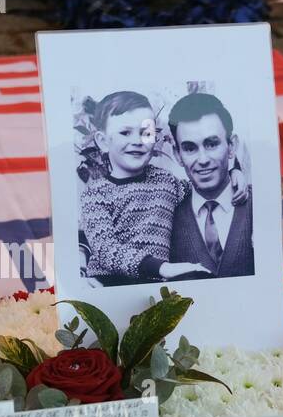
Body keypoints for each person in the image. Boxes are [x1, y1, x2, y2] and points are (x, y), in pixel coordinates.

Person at [77, 90, 208, 284]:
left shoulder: (166, 182)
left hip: (156, 282)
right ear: (103, 142)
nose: (137, 141)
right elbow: (106, 249)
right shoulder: (95, 194)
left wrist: (233, 173)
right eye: (125, 132)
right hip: (109, 281)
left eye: (146, 133)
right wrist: (163, 268)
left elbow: (202, 186)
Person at [166, 92, 255, 278]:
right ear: (177, 154)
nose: (203, 160)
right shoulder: (167, 218)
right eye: (190, 148)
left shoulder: (259, 206)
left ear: (231, 147)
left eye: (212, 144)